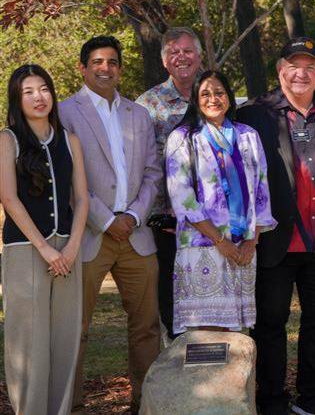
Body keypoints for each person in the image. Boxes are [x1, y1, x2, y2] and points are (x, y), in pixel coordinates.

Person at [237, 37, 315, 415]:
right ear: (280, 70)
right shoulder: (255, 113)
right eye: (293, 65)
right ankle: (271, 399)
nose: (301, 73)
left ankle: (313, 397)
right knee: (270, 325)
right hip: (276, 242)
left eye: (310, 67)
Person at [59, 36, 162, 413]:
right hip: (88, 235)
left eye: (113, 62)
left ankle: (146, 402)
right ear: (83, 67)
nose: (106, 68)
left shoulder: (138, 114)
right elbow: (66, 176)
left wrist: (133, 216)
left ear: (119, 68)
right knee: (76, 329)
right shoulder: (64, 112)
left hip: (137, 235)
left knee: (147, 328)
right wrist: (105, 220)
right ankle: (69, 405)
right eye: (98, 62)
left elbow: (153, 173)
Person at [0, 64, 89, 415]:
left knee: (65, 340)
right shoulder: (7, 139)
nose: (39, 97)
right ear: (17, 99)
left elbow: (81, 198)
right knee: (30, 342)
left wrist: (70, 246)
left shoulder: (70, 140)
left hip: (68, 249)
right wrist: (46, 249)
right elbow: (8, 198)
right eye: (29, 92)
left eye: (44, 89)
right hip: (27, 251)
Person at [164, 70, 277, 333]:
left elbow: (261, 191)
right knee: (204, 333)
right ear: (195, 100)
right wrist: (219, 241)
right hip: (201, 247)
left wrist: (252, 241)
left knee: (236, 332)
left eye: (219, 92)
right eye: (205, 93)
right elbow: (183, 198)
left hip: (242, 249)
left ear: (229, 97)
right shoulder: (183, 138)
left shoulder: (248, 136)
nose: (213, 98)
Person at [136, 26, 203, 339]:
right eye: (174, 53)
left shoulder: (214, 96)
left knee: (209, 297)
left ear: (199, 56)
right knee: (172, 303)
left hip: (212, 222)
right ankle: (178, 374)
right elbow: (140, 165)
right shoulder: (148, 105)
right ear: (164, 62)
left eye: (188, 51)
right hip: (168, 223)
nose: (182, 58)